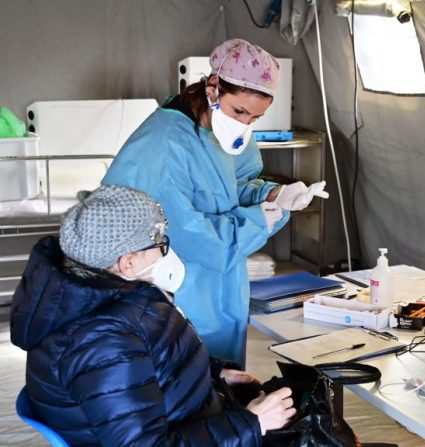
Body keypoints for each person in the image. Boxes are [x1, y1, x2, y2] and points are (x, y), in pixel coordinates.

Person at [10, 185, 296, 445]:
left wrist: (210, 372)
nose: (165, 253)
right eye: (159, 245)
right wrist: (252, 424)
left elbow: (144, 367)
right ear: (128, 262)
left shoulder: (102, 298)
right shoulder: (99, 341)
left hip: (197, 416)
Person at [102, 38, 326, 366]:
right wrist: (261, 219)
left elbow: (235, 185)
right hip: (172, 293)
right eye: (240, 111)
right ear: (213, 87)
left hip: (217, 288)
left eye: (255, 118)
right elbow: (198, 241)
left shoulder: (221, 131)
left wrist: (273, 195)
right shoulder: (165, 147)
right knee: (185, 384)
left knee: (223, 387)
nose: (244, 124)